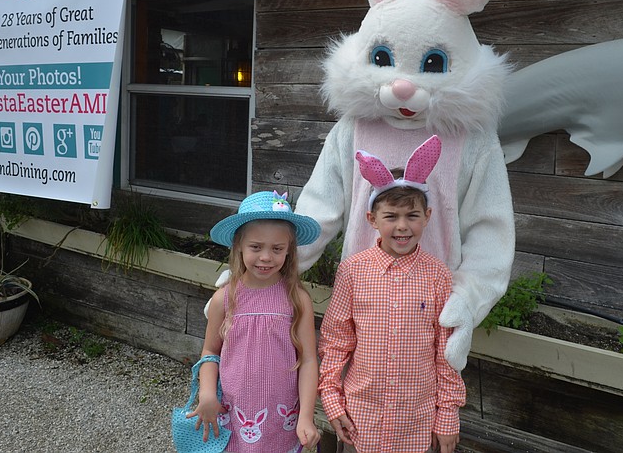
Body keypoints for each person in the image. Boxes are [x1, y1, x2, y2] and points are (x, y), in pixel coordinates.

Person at [318, 136, 466, 453]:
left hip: (417, 421)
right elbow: (335, 340)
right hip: (362, 417)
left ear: (427, 216)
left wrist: (448, 415)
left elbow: (447, 351)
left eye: (412, 215)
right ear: (372, 219)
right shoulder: (352, 271)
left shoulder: (439, 275)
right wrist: (332, 400)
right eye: (391, 216)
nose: (402, 226)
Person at [189, 190, 322, 452]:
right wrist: (206, 393)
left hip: (282, 419)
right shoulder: (223, 300)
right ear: (238, 245)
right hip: (236, 414)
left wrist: (306, 415)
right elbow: (210, 352)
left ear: (289, 250)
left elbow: (308, 359)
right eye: (256, 247)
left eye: (277, 249)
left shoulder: (297, 299)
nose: (266, 257)